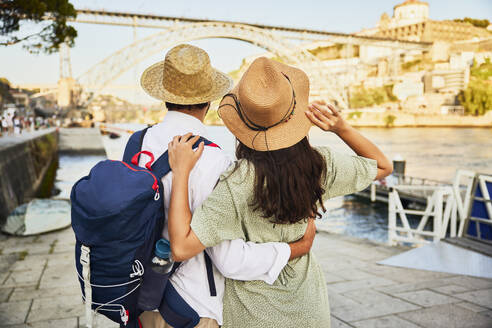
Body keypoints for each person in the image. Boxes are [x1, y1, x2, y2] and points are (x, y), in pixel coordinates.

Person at [166, 57, 393, 328]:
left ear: (243, 124)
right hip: (309, 307)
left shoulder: (237, 183)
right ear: (293, 114)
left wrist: (181, 173)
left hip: (253, 315)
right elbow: (383, 166)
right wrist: (340, 128)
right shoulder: (321, 165)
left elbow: (180, 247)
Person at [137, 45, 316, 328]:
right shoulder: (212, 160)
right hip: (191, 307)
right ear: (209, 101)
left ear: (164, 98)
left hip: (143, 295)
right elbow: (230, 260)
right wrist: (294, 248)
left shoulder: (137, 143)